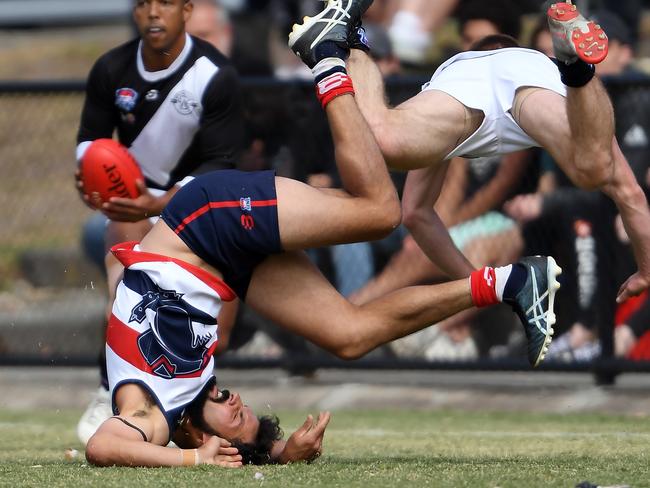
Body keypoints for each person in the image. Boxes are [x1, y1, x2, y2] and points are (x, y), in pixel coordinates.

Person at [85, 0, 560, 468]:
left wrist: (195, 462)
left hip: (200, 227)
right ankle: (510, 283)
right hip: (219, 265)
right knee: (348, 337)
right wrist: (277, 453)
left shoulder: (150, 416)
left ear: (193, 436)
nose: (234, 402)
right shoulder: (190, 408)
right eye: (238, 409)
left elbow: (102, 447)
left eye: (231, 411)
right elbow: (234, 450)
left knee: (380, 211)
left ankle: (327, 58)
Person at [345, 0, 650, 306]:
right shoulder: (532, 63)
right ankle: (576, 68)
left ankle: (348, 41)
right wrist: (647, 270)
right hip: (529, 75)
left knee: (385, 141)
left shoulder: (461, 68)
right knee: (596, 166)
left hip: (459, 78)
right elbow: (630, 193)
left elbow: (415, 213)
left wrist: (477, 284)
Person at [75, 0, 245, 445]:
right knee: (125, 296)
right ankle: (110, 389)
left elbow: (220, 165)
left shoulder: (215, 75)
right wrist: (90, 175)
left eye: (166, 3)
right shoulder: (111, 69)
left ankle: (191, 408)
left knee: (216, 336)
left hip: (203, 212)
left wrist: (158, 203)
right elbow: (90, 141)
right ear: (134, 13)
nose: (154, 13)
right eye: (144, 3)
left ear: (186, 10)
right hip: (134, 210)